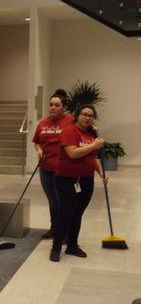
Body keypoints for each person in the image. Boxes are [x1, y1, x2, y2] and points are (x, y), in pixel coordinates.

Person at [49, 104, 107, 262]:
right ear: (77, 115)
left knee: (77, 213)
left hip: (86, 179)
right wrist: (94, 145)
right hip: (67, 179)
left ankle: (72, 245)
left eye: (90, 115)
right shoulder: (69, 130)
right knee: (65, 214)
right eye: (84, 114)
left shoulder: (91, 133)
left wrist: (101, 173)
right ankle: (56, 247)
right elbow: (72, 153)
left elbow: (94, 157)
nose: (87, 117)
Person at [32, 89, 74, 239]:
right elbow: (36, 141)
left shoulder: (70, 121)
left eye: (57, 105)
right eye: (51, 105)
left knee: (62, 201)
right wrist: (39, 149)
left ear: (64, 107)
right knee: (52, 201)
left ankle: (66, 232)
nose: (53, 107)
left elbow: (83, 131)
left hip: (63, 169)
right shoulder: (43, 123)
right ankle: (54, 229)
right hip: (45, 169)